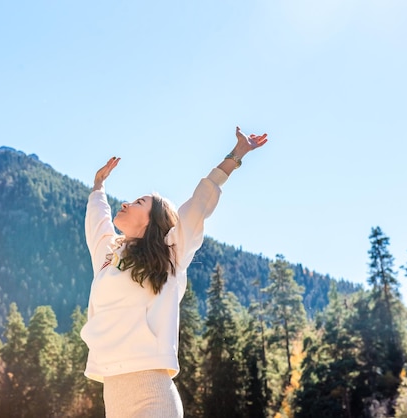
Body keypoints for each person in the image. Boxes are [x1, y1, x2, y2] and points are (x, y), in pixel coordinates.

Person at [80, 126, 268, 417]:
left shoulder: (169, 254)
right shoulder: (108, 255)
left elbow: (198, 206)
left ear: (152, 222)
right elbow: (97, 223)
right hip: (114, 394)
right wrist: (98, 186)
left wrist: (236, 155)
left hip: (153, 394)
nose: (127, 203)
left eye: (139, 202)